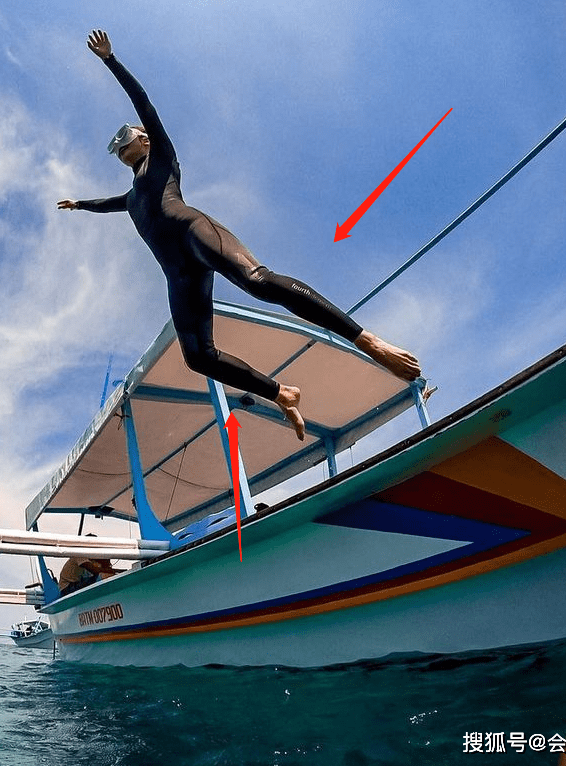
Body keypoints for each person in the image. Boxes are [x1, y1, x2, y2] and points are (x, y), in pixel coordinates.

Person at [58, 30, 422, 440]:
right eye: (116, 146)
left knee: (256, 282)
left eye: (125, 137)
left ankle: (368, 341)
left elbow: (144, 103)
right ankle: (281, 392)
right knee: (198, 357)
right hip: (178, 274)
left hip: (194, 232)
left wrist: (111, 60)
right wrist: (80, 204)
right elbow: (108, 204)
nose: (121, 146)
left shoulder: (161, 155)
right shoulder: (130, 197)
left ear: (143, 137)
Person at [58, 535, 123, 596]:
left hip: (78, 583)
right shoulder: (79, 554)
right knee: (105, 575)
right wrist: (118, 571)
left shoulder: (92, 559)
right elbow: (95, 570)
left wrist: (105, 560)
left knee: (108, 575)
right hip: (67, 588)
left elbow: (105, 567)